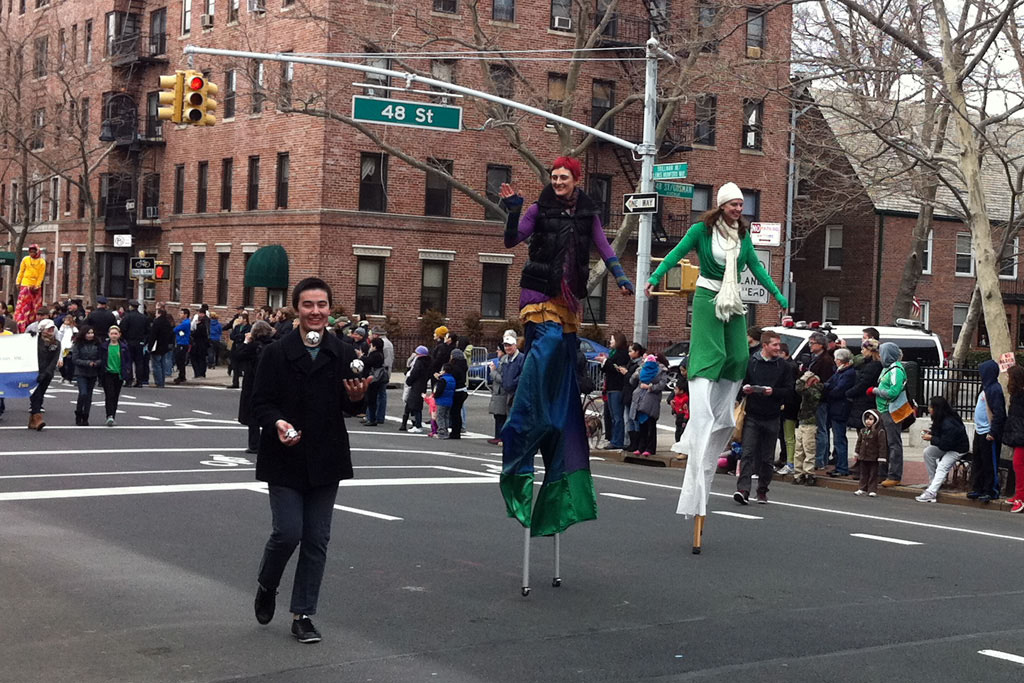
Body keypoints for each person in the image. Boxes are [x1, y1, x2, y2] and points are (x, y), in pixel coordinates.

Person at [497, 155, 634, 537]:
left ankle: (554, 422)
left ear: (575, 180)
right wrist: (513, 210)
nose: (557, 182)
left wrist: (621, 278)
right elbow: (512, 240)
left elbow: (605, 248)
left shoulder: (587, 213)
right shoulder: (539, 209)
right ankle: (524, 413)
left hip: (567, 301)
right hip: (538, 294)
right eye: (554, 177)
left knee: (564, 361)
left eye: (563, 177)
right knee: (550, 341)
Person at [646, 183, 787, 530]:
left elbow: (755, 266)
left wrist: (778, 295)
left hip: (734, 300)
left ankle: (721, 409)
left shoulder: (742, 236)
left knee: (739, 356)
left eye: (742, 204)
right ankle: (703, 398)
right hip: (709, 296)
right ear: (722, 206)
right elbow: (675, 252)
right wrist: (654, 278)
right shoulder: (701, 231)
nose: (740, 209)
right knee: (714, 354)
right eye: (734, 204)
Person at [250, 277, 370, 644]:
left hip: (326, 457)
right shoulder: (275, 352)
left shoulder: (344, 353)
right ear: (295, 309)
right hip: (284, 456)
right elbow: (259, 404)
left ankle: (303, 614)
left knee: (317, 538)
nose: (315, 312)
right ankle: (268, 584)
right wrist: (278, 423)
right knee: (288, 532)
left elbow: (353, 405)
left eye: (321, 305)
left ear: (330, 309)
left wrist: (358, 397)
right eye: (308, 305)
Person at [734, 331, 794, 504]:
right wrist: (744, 390)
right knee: (747, 453)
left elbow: (790, 391)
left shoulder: (783, 366)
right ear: (765, 345)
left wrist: (773, 391)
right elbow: (739, 383)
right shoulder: (751, 362)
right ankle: (743, 490)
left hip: (773, 415)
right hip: (752, 414)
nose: (778, 348)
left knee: (767, 458)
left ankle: (762, 490)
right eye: (774, 345)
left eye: (779, 345)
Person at [915, 396, 970, 503]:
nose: (928, 409)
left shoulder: (948, 423)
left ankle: (931, 492)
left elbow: (945, 444)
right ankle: (933, 483)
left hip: (957, 448)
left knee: (942, 466)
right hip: (948, 445)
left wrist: (932, 438)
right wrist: (932, 434)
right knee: (928, 453)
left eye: (930, 407)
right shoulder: (942, 418)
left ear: (936, 408)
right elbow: (943, 438)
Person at [867, 342, 908, 487]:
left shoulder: (896, 370)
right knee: (885, 443)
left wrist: (875, 391)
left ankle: (894, 475)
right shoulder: (887, 368)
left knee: (893, 443)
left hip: (892, 411)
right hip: (884, 411)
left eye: (882, 353)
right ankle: (883, 472)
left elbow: (893, 392)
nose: (879, 356)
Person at [966, 359, 1006, 502]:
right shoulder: (985, 388)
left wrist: (993, 432)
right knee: (978, 461)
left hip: (988, 432)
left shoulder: (994, 389)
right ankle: (978, 488)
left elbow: (999, 413)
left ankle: (991, 490)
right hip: (980, 430)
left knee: (990, 463)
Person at [237, 320, 276, 453]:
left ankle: (254, 444)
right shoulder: (274, 345)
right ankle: (270, 443)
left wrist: (246, 342)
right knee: (270, 412)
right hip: (271, 382)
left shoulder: (252, 347)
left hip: (253, 382)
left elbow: (237, 356)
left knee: (253, 415)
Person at [823, 347, 856, 476]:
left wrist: (827, 392)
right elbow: (830, 383)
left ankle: (842, 468)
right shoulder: (840, 371)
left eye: (836, 358)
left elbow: (838, 390)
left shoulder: (847, 373)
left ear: (841, 360)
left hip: (840, 409)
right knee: (837, 439)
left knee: (840, 439)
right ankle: (839, 466)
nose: (835, 360)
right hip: (836, 408)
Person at [629, 354, 670, 456]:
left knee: (650, 425)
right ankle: (641, 447)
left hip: (651, 400)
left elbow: (662, 385)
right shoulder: (641, 370)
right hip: (640, 398)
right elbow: (632, 380)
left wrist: (650, 387)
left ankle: (650, 448)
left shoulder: (660, 371)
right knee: (642, 425)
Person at [806, 332, 836, 469]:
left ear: (820, 345)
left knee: (821, 430)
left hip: (820, 399)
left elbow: (825, 382)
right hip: (814, 398)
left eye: (812, 343)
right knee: (819, 429)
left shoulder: (825, 361)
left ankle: (819, 460)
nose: (810, 346)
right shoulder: (815, 358)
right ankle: (820, 459)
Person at [597, 333, 631, 450]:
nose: (610, 342)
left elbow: (616, 368)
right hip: (611, 387)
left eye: (612, 340)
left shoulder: (622, 354)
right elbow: (607, 369)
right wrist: (604, 362)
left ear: (618, 341)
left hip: (617, 387)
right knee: (612, 416)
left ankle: (618, 441)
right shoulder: (613, 353)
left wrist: (606, 361)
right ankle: (613, 439)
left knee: (617, 417)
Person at [28, 319, 60, 430]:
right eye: (48, 328)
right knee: (36, 394)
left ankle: (32, 419)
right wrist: (28, 337)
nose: (51, 330)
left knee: (40, 394)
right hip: (34, 371)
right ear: (42, 330)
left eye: (52, 328)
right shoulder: (35, 340)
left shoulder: (56, 343)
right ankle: (37, 417)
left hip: (47, 373)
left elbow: (54, 360)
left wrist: (47, 372)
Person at [792, 370, 823, 485]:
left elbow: (799, 389)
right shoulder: (810, 391)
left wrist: (803, 378)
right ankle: (798, 473)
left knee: (808, 449)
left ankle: (809, 473)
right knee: (798, 449)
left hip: (810, 424)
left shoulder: (815, 391)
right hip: (802, 422)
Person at [1002, 365, 1024, 513]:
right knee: (1018, 466)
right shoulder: (1017, 395)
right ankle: (1019, 494)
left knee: (1018, 466)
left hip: (1021, 436)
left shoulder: (1020, 396)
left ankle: (1021, 498)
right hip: (1018, 435)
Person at [99, 325, 131, 426]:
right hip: (107, 373)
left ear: (119, 335)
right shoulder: (104, 346)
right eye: (112, 333)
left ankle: (113, 415)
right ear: (109, 334)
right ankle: (109, 416)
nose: (114, 336)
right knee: (110, 394)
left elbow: (127, 360)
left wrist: (127, 372)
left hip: (119, 374)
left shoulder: (124, 347)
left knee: (116, 396)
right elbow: (101, 359)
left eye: (116, 334)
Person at [71, 325, 102, 425]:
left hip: (93, 372)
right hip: (81, 372)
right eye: (88, 333)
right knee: (83, 393)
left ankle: (85, 416)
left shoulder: (97, 344)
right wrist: (87, 363)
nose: (90, 335)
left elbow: (102, 357)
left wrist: (96, 363)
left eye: (92, 333)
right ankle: (78, 412)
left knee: (89, 396)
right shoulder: (78, 344)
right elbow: (75, 359)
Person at [776, 343, 799, 475]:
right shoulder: (790, 365)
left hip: (789, 405)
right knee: (785, 435)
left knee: (789, 436)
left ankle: (790, 462)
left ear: (784, 353)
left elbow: (789, 388)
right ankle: (786, 459)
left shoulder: (788, 367)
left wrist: (784, 403)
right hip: (789, 404)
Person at [14, 244, 46, 333]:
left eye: (33, 252)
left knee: (35, 306)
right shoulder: (25, 259)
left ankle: (33, 321)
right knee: (24, 305)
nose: (31, 253)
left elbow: (41, 275)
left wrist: (36, 286)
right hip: (25, 284)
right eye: (30, 252)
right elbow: (21, 271)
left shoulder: (42, 262)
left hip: (36, 286)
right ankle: (21, 323)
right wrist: (18, 282)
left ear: (37, 252)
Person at [854, 409, 886, 497]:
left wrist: (882, 457)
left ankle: (872, 489)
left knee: (873, 474)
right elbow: (859, 442)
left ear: (876, 420)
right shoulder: (863, 431)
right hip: (863, 456)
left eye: (871, 419)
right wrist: (857, 452)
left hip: (874, 457)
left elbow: (882, 445)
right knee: (863, 473)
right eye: (867, 419)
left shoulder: (879, 432)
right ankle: (862, 488)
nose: (868, 421)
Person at [622, 342, 646, 452]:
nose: (629, 353)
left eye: (631, 351)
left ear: (637, 352)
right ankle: (631, 443)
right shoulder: (630, 363)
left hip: (634, 395)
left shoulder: (640, 365)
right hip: (627, 394)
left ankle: (637, 443)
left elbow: (633, 380)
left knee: (634, 419)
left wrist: (626, 373)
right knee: (628, 420)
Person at [119, 300, 149, 387]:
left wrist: (123, 339)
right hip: (139, 342)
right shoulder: (144, 318)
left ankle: (129, 380)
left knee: (128, 361)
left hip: (129, 342)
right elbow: (148, 331)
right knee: (139, 362)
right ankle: (139, 381)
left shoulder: (127, 317)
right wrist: (144, 341)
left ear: (130, 306)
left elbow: (122, 329)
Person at [402, 345, 432, 433]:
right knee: (418, 405)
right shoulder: (429, 362)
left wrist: (409, 381)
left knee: (414, 405)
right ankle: (416, 424)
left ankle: (417, 425)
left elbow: (414, 373)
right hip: (423, 385)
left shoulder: (419, 362)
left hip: (416, 385)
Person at [148, 304, 176, 388]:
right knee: (163, 365)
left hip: (157, 346)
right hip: (165, 346)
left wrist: (150, 346)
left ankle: (158, 382)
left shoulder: (157, 322)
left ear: (158, 313)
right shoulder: (167, 322)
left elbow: (153, 335)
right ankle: (162, 382)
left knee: (156, 365)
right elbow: (171, 334)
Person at [370, 326, 394, 424]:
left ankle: (379, 416)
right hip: (380, 372)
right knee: (379, 394)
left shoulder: (386, 345)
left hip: (380, 373)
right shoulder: (384, 343)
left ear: (377, 335)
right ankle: (375, 416)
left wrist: (385, 373)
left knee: (380, 395)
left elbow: (387, 361)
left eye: (372, 334)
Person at [361, 337, 386, 426]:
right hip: (377, 379)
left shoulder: (375, 355)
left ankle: (372, 418)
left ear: (374, 346)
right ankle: (371, 417)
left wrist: (361, 357)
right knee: (373, 399)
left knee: (371, 399)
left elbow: (368, 362)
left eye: (371, 345)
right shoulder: (381, 354)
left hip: (373, 379)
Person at [447, 348, 470, 438]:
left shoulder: (454, 367)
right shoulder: (463, 365)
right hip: (463, 390)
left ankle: (455, 432)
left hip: (457, 391)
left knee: (455, 412)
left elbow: (452, 378)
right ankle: (458, 430)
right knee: (457, 412)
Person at [228, 311, 252, 389]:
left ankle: (246, 383)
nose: (239, 320)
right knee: (235, 366)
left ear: (245, 319)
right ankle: (235, 383)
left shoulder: (249, 327)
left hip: (243, 347)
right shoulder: (237, 327)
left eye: (240, 318)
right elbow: (232, 336)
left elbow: (246, 336)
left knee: (244, 366)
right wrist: (239, 336)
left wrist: (239, 336)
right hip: (235, 347)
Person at [432, 362, 456, 439]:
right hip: (449, 400)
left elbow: (439, 390)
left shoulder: (443, 380)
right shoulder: (452, 379)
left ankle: (441, 432)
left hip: (441, 400)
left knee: (440, 417)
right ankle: (445, 431)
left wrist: (435, 396)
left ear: (444, 370)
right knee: (446, 417)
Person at [56, 313, 78, 383]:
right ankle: (63, 375)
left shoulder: (74, 329)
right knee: (61, 363)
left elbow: (75, 337)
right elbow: (59, 336)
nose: (66, 322)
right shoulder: (62, 328)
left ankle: (68, 377)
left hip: (69, 349)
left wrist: (72, 344)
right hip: (62, 348)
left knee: (69, 364)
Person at [172, 308, 192, 384]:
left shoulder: (185, 323)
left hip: (182, 343)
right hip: (181, 342)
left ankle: (182, 376)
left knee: (180, 360)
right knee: (179, 360)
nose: (179, 315)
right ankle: (181, 375)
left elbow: (175, 329)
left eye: (181, 313)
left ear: (185, 315)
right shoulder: (184, 322)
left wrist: (177, 330)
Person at [190, 308, 211, 379]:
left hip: (199, 345)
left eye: (199, 313)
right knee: (201, 359)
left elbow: (196, 334)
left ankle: (199, 373)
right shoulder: (205, 322)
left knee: (198, 359)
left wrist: (192, 333)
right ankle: (201, 373)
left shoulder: (202, 324)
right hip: (202, 344)